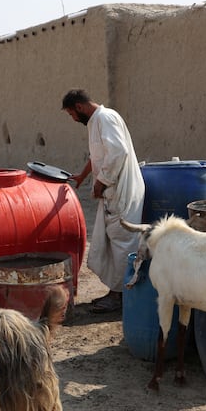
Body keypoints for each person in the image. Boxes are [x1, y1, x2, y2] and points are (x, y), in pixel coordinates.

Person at [62, 89, 145, 313]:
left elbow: (118, 152)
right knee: (111, 241)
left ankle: (120, 297)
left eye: (72, 114)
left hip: (121, 192)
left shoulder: (105, 118)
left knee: (122, 243)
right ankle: (115, 292)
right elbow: (99, 155)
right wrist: (83, 175)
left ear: (79, 107)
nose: (73, 119)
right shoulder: (96, 122)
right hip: (112, 192)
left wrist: (102, 181)